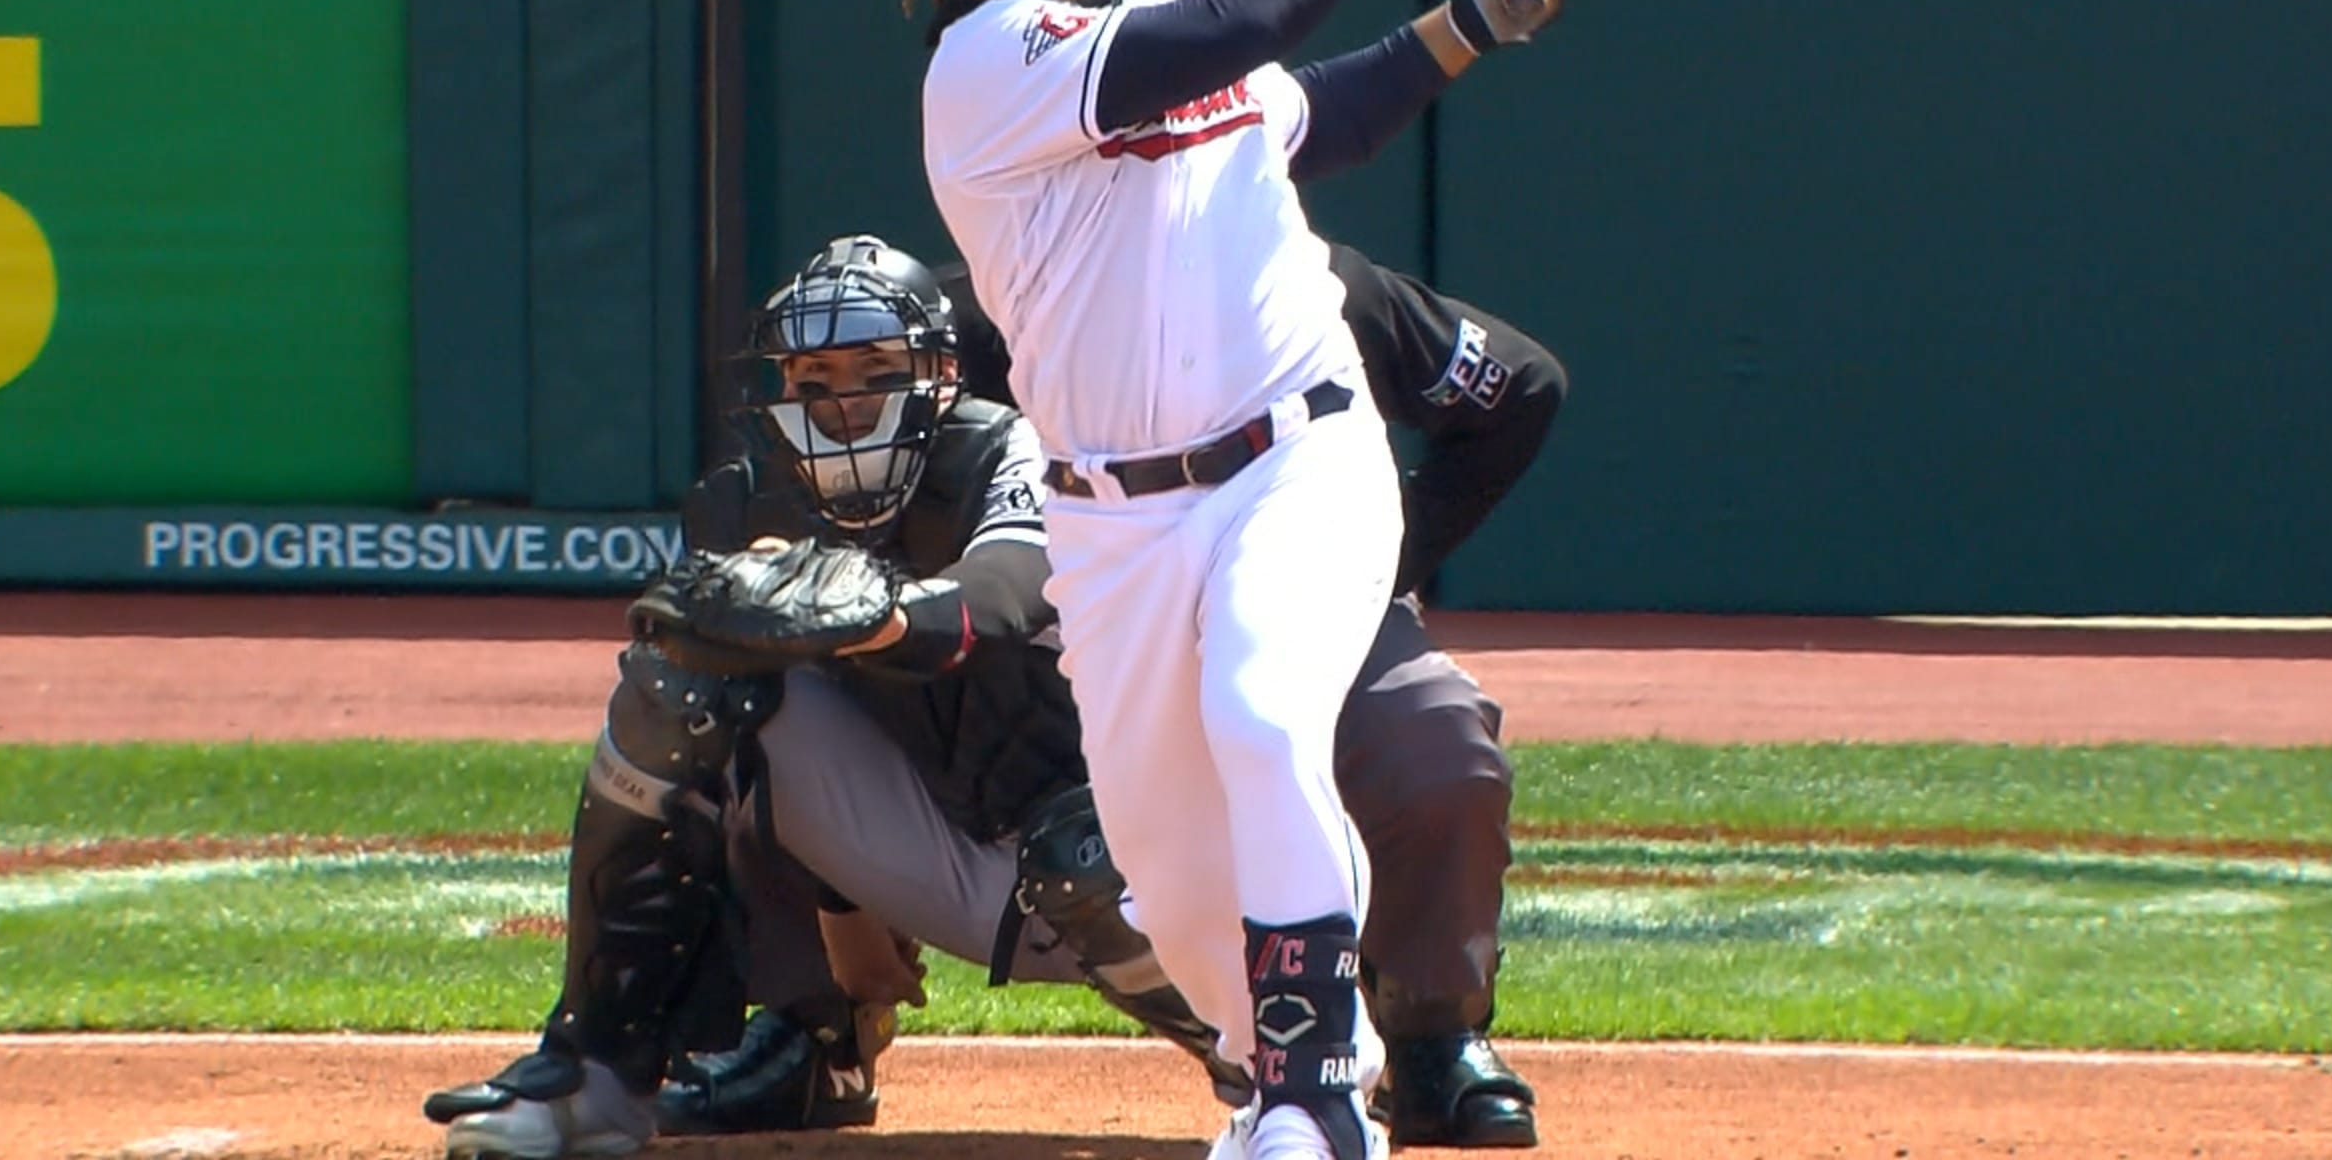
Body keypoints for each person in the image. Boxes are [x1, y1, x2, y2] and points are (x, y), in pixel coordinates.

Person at [422, 233, 1565, 1159]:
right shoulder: (1014, 288)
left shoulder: (1308, 284)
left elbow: (1521, 383)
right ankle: (671, 1054)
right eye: (819, 386)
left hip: (1257, 593)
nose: (845, 405)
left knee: (1423, 747)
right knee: (702, 687)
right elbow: (879, 352)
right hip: (997, 771)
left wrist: (1373, 561)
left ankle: (1383, 1054)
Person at [900, 0, 1578, 1160]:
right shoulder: (979, 73)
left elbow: (1309, 116)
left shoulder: (1164, 17)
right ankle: (1290, 1062)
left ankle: (1315, 1106)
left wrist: (1470, 23)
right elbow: (1234, 29)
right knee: (1180, 895)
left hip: (1297, 457)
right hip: (1116, 528)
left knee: (1269, 718)